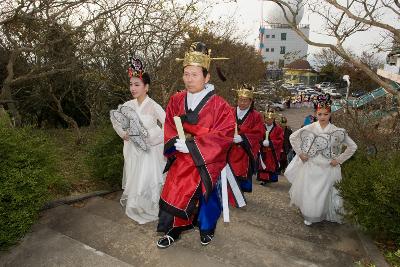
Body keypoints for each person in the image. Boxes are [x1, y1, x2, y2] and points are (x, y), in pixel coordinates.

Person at [156, 42, 234, 248]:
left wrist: (193, 145)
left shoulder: (220, 106)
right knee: (175, 189)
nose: (189, 79)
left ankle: (206, 228)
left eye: (195, 75)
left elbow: (224, 135)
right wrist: (175, 143)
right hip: (181, 157)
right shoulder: (176, 100)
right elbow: (170, 124)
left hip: (206, 160)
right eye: (186, 74)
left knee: (205, 193)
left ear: (207, 77)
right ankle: (175, 228)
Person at [110, 57, 166, 224]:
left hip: (149, 150)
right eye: (131, 84)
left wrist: (153, 139)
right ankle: (137, 205)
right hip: (132, 149)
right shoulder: (128, 104)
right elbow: (115, 120)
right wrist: (123, 134)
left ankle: (150, 206)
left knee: (147, 179)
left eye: (137, 84)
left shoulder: (153, 106)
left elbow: (168, 125)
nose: (133, 88)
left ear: (146, 87)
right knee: (135, 176)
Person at [284, 99, 357, 226]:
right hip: (310, 166)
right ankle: (309, 215)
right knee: (309, 192)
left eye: (326, 114)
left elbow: (353, 146)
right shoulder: (310, 127)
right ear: (316, 114)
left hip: (328, 168)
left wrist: (339, 160)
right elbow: (292, 137)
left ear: (330, 115)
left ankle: (320, 213)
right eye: (320, 114)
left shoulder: (337, 131)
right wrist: (300, 154)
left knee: (322, 194)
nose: (322, 117)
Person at [227, 84, 264, 193]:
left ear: (251, 101)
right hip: (230, 149)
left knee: (240, 173)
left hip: (245, 152)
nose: (242, 103)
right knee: (227, 172)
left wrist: (243, 138)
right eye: (241, 100)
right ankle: (227, 194)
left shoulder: (256, 116)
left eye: (245, 100)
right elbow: (222, 126)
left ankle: (238, 195)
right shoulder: (229, 111)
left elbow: (259, 133)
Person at [257, 110, 284, 185]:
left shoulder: (278, 129)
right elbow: (256, 136)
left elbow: (280, 139)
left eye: (271, 119)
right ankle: (263, 179)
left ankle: (270, 179)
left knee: (270, 165)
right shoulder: (261, 127)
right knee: (262, 165)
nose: (269, 121)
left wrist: (271, 143)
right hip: (262, 150)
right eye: (267, 119)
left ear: (273, 119)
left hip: (272, 152)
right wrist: (261, 142)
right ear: (264, 119)